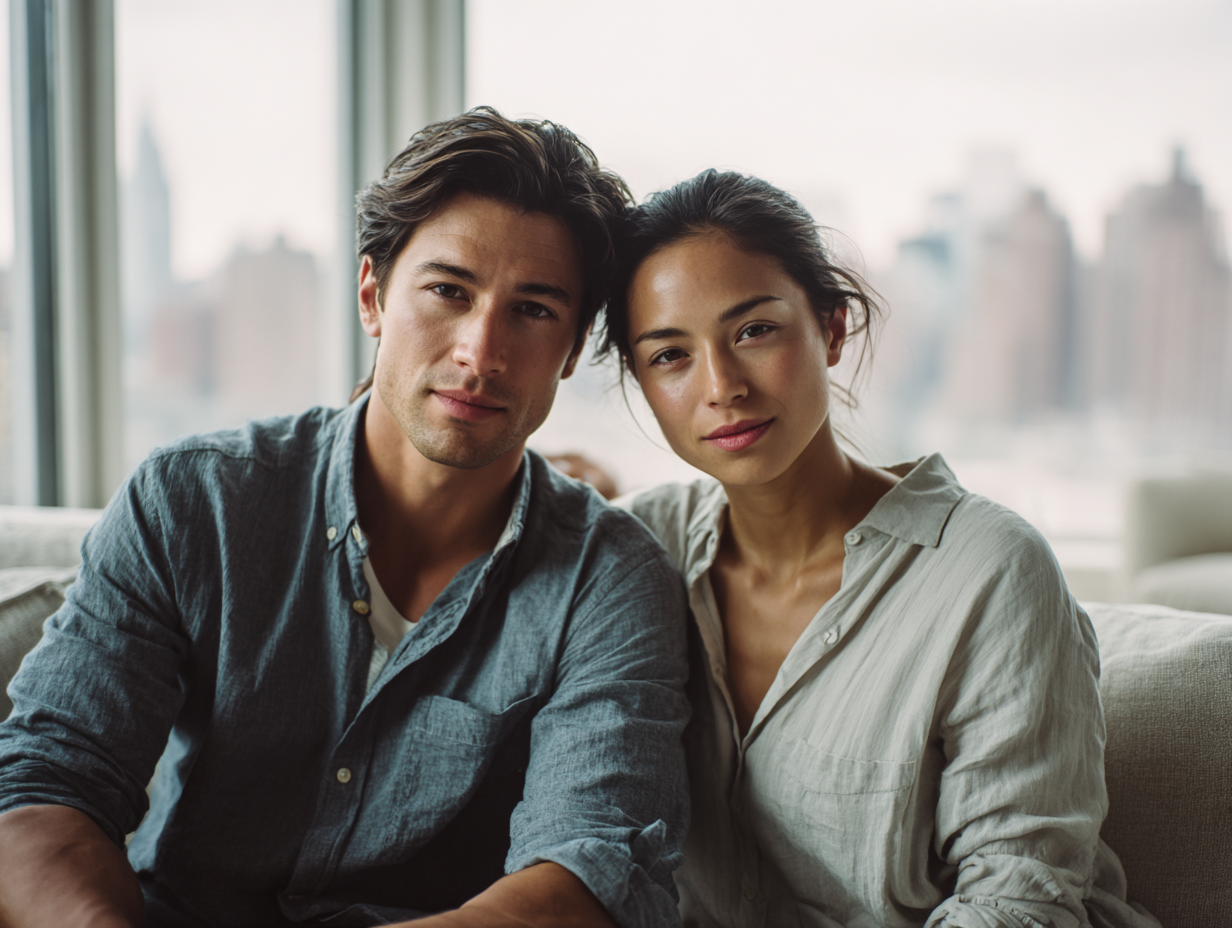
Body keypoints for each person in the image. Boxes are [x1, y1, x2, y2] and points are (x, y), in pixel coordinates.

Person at [0, 108, 691, 928]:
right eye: (448, 291)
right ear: (372, 296)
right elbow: (47, 782)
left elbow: (590, 873)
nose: (479, 350)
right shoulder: (194, 502)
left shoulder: (609, 580)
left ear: (573, 350)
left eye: (534, 310)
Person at [600, 169, 1159, 928]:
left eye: (754, 330)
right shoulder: (641, 552)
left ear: (831, 328)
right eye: (670, 356)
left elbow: (1019, 902)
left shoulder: (989, 570)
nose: (721, 385)